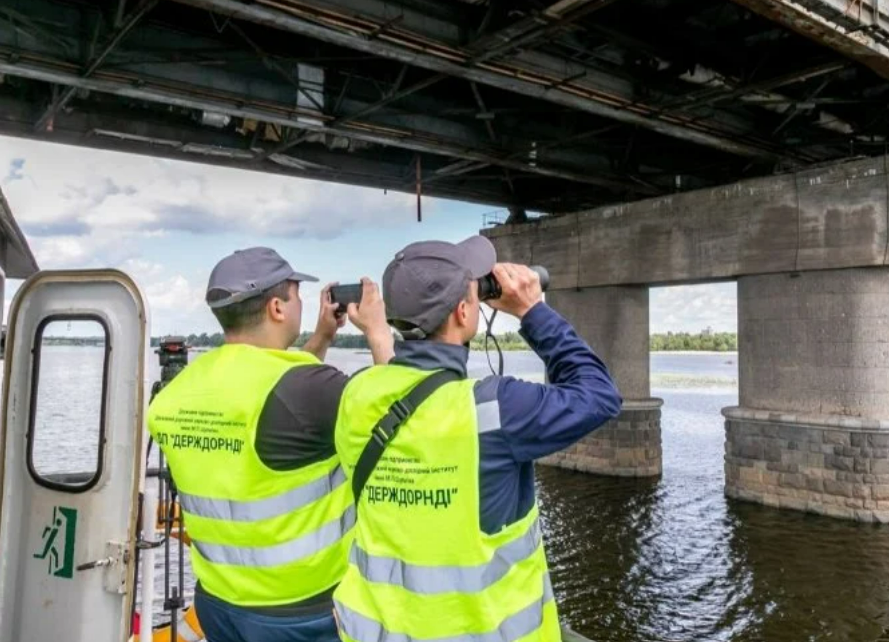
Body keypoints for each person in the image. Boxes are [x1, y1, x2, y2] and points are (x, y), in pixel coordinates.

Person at [331, 236, 623, 642]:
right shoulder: (495, 408)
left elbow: (404, 390)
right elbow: (600, 395)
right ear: (465, 311)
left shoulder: (356, 395)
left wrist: (380, 335)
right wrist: (532, 311)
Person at [147, 247, 394, 642]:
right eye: (296, 296)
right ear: (278, 308)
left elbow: (273, 389)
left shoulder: (175, 396)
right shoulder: (308, 390)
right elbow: (405, 416)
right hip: (302, 611)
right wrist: (378, 332)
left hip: (218, 603)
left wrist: (322, 337)